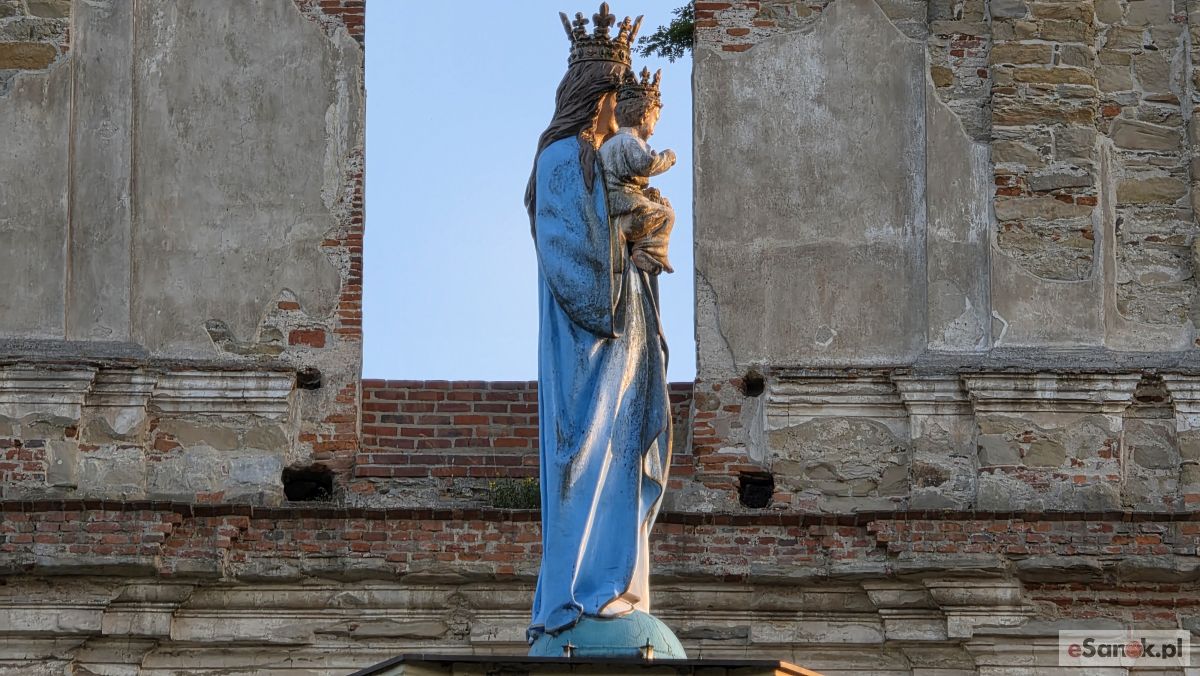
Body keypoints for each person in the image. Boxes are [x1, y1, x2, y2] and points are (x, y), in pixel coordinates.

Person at [522, 4, 672, 648]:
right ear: (595, 98)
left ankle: (619, 586)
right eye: (615, 100)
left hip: (625, 328)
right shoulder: (560, 158)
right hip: (588, 339)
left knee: (624, 448)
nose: (621, 113)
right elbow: (569, 252)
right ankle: (578, 594)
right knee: (583, 453)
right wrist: (626, 240)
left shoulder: (604, 156)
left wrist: (640, 229)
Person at [599, 67, 677, 275]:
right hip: (627, 205)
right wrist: (668, 157)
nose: (654, 128)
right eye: (655, 120)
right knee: (667, 215)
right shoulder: (630, 142)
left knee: (659, 205)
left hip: (614, 203)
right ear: (643, 116)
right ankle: (646, 250)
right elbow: (647, 165)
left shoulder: (607, 145)